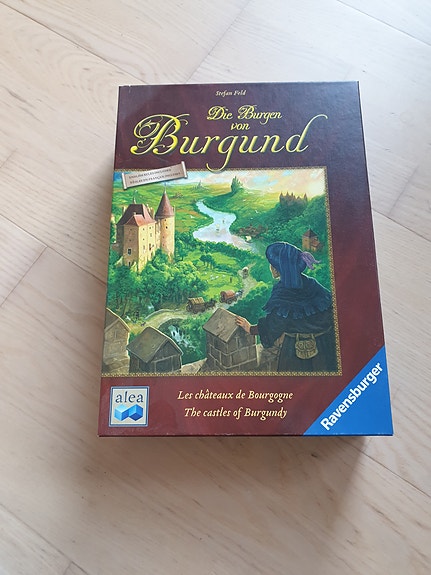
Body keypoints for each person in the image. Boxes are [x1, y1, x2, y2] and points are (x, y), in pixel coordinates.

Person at [235, 242, 337, 372]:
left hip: (296, 355)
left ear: (277, 269)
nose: (271, 267)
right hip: (326, 349)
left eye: (272, 264)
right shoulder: (312, 284)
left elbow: (274, 325)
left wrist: (250, 329)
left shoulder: (282, 291)